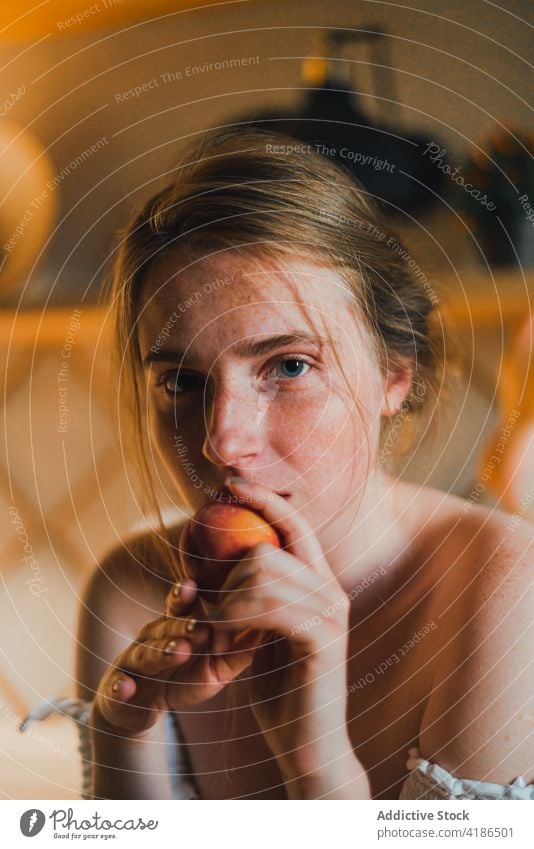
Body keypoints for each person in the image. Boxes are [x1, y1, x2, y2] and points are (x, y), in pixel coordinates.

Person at [74, 128, 534, 800]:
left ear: (393, 376)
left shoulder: (504, 590)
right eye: (181, 380)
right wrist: (122, 738)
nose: (223, 442)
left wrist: (317, 766)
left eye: (289, 365)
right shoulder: (132, 590)